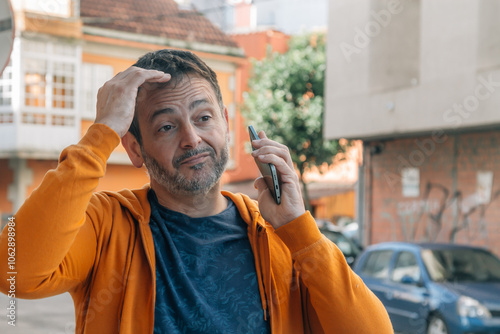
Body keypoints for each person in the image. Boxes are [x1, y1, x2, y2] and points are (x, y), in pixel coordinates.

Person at [0, 49, 392, 333]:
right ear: (135, 149)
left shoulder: (280, 236)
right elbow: (15, 272)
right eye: (166, 127)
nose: (192, 139)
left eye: (203, 118)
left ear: (224, 123)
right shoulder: (107, 223)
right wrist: (101, 135)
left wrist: (299, 229)